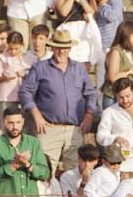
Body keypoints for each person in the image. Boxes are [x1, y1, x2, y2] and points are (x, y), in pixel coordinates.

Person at [19, 26, 98, 175]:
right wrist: (36, 115)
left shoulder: (79, 68)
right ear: (53, 48)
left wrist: (89, 115)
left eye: (66, 48)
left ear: (70, 48)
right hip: (49, 127)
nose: (62, 51)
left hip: (75, 128)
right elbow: (25, 92)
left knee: (75, 172)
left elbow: (91, 93)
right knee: (44, 171)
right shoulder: (40, 67)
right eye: (58, 48)